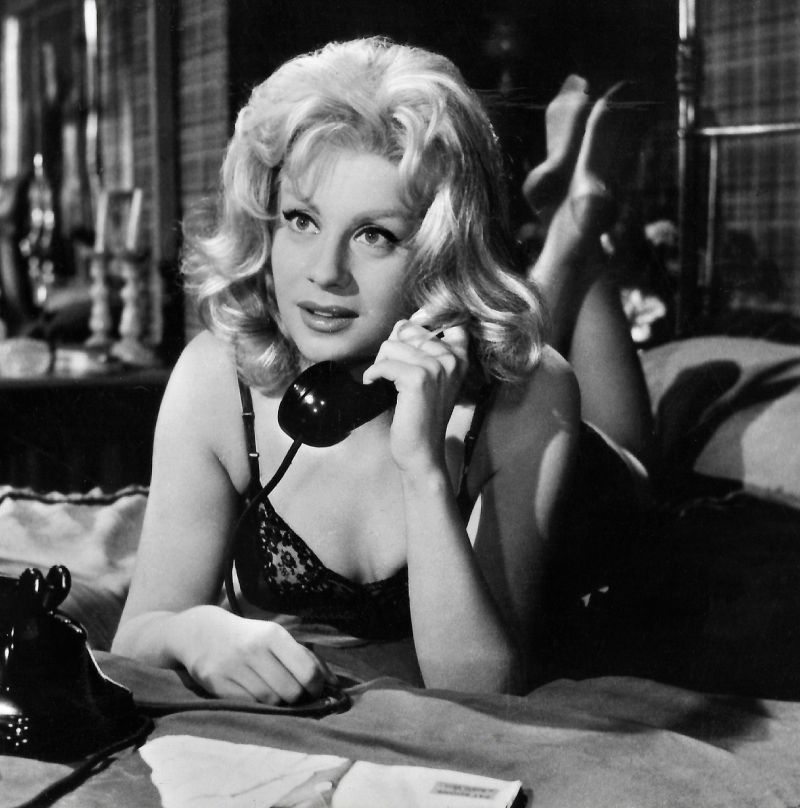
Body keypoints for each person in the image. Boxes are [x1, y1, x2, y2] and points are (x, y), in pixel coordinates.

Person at [112, 37, 653, 703]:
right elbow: (139, 634)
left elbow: (483, 689)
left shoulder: (534, 392)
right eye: (301, 220)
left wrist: (424, 468)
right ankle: (568, 220)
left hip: (596, 493)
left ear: (439, 250)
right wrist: (194, 631)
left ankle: (577, 236)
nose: (324, 273)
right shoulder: (216, 380)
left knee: (626, 457)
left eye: (375, 235)